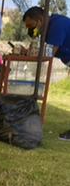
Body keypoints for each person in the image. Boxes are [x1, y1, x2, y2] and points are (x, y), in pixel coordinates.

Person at [23, 7, 70, 141]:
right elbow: (42, 49)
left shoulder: (57, 25)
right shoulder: (50, 26)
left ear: (40, 20)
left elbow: (48, 55)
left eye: (31, 26)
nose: (30, 30)